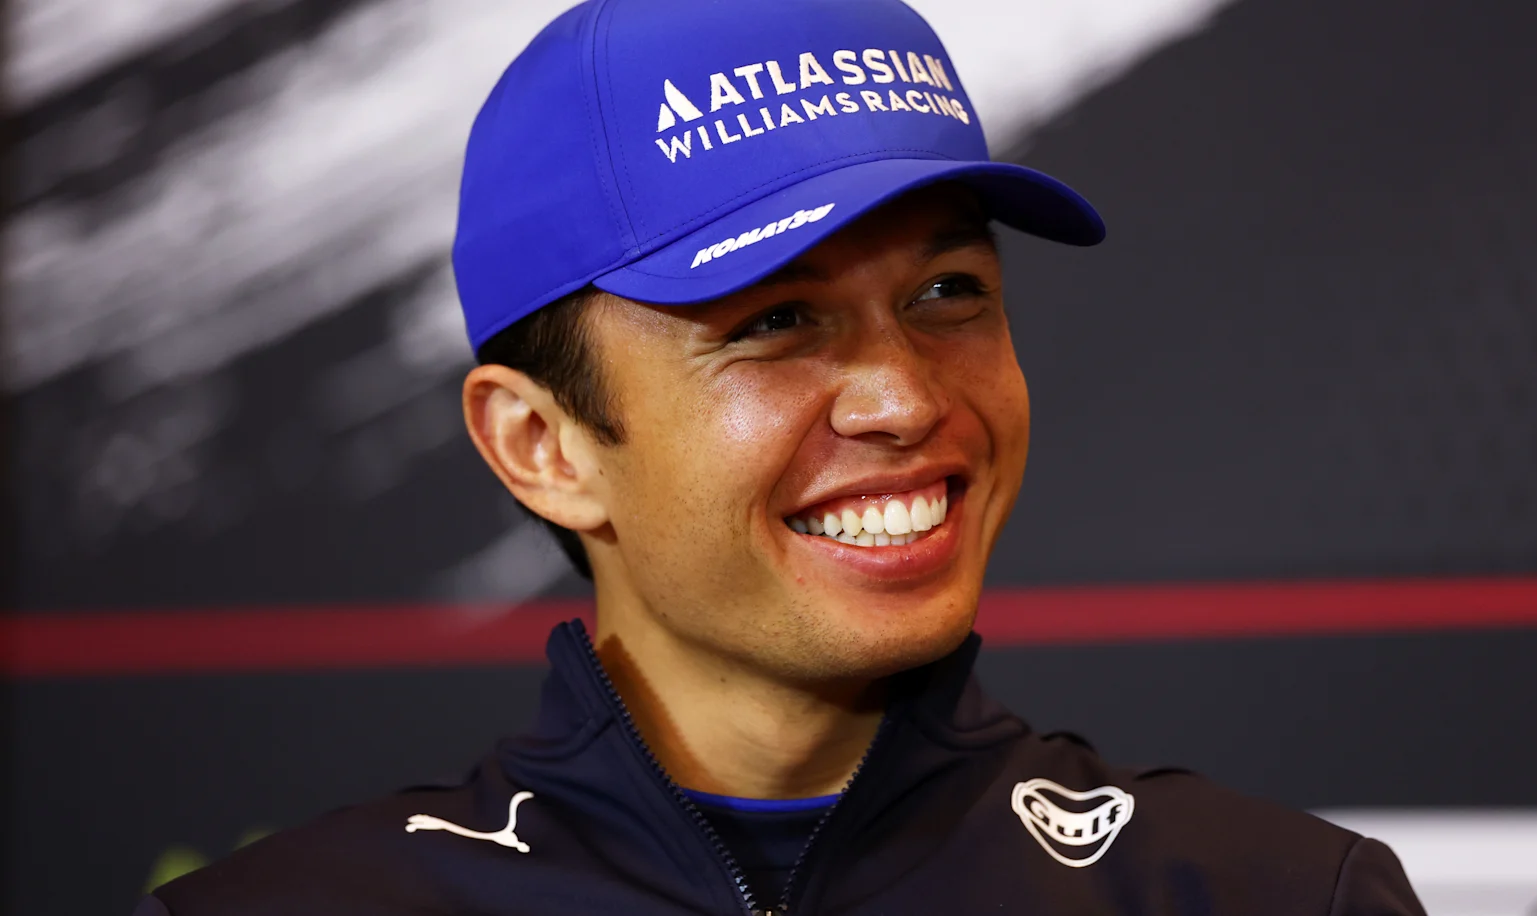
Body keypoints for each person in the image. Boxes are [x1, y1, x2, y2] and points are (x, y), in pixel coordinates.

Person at [138, 0, 1425, 913]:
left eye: (948, 291)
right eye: (773, 321)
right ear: (542, 445)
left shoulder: (1264, 896)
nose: (902, 398)